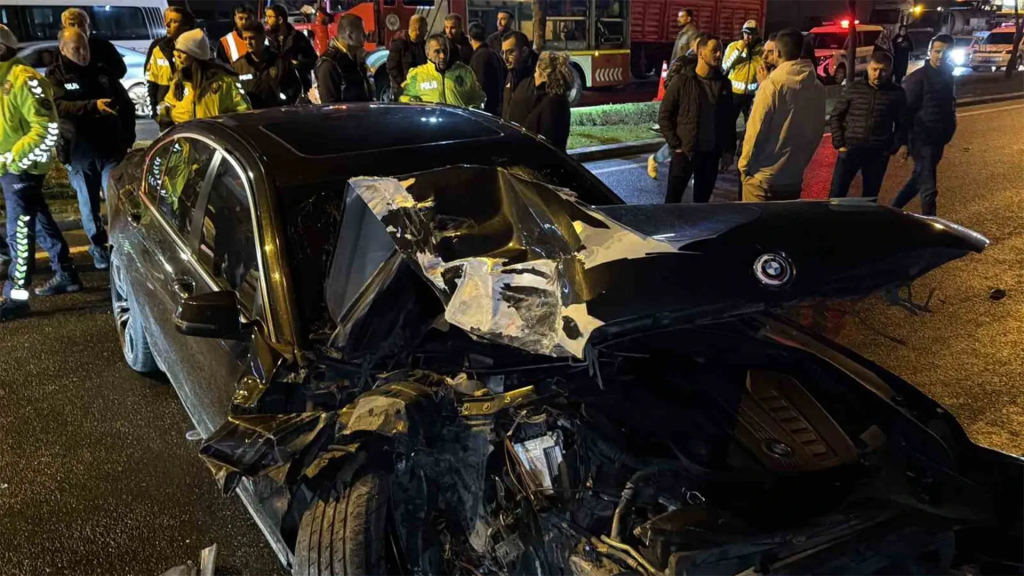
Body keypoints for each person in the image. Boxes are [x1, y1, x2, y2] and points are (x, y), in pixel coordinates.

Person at [0, 25, 81, 321]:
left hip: (22, 169)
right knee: (39, 218)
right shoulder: (3, 79)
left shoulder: (24, 80)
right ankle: (65, 271)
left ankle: (16, 296)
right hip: (11, 167)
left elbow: (46, 129)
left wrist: (13, 159)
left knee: (19, 232)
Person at [47, 28, 136, 270]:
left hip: (110, 150)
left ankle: (120, 246)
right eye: (76, 49)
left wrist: (128, 139)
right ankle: (98, 248)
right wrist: (92, 106)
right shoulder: (56, 77)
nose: (83, 53)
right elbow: (58, 107)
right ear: (63, 50)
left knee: (117, 201)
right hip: (79, 152)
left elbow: (126, 105)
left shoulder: (102, 72)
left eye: (85, 47)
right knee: (89, 205)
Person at [739, 28, 826, 201]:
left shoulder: (772, 85)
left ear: (778, 52)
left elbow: (756, 130)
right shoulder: (817, 87)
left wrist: (743, 167)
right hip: (793, 177)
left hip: (763, 179)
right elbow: (817, 131)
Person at [658, 35, 735, 203]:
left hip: (710, 156)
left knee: (702, 205)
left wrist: (729, 151)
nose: (719, 55)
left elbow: (729, 120)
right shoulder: (682, 81)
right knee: (672, 202)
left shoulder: (724, 84)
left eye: (720, 51)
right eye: (714, 51)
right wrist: (676, 145)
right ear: (701, 53)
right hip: (685, 154)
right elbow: (664, 115)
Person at [891, 34, 956, 216]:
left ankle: (891, 211)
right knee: (929, 188)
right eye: (937, 51)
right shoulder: (917, 78)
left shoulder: (947, 76)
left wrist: (950, 127)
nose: (941, 56)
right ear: (930, 51)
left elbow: (950, 105)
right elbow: (904, 113)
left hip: (938, 138)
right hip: (921, 138)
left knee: (918, 180)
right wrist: (903, 143)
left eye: (945, 52)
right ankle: (930, 225)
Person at [829, 51, 907, 200]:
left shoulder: (897, 93)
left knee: (869, 198)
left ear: (890, 70)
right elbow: (836, 115)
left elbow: (902, 123)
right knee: (837, 195)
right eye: (874, 69)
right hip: (851, 150)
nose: (878, 74)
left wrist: (892, 148)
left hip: (877, 153)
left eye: (883, 70)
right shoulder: (854, 88)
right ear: (868, 67)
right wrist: (840, 144)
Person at [157, 29, 250, 128]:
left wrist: (222, 126)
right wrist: (165, 114)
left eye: (183, 52)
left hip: (213, 137)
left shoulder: (224, 83)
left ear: (196, 57)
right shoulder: (179, 82)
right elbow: (168, 104)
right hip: (187, 137)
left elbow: (244, 114)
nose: (177, 56)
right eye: (176, 51)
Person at [647, 32, 705, 179]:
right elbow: (669, 83)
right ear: (695, 45)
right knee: (678, 143)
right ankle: (655, 159)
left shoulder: (707, 64)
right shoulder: (683, 61)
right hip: (682, 108)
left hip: (698, 109)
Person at [400, 34, 485, 108]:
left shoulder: (464, 72)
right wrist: (411, 101)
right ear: (428, 54)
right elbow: (402, 97)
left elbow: (478, 98)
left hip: (460, 121)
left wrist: (474, 108)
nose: (443, 56)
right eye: (437, 52)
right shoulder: (417, 74)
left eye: (445, 51)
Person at [233, 22, 302, 108]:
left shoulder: (280, 62)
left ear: (263, 37)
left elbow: (295, 89)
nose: (248, 42)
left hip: (276, 113)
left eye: (252, 38)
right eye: (245, 39)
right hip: (250, 114)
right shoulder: (238, 66)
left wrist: (283, 103)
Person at [145, 7, 196, 120]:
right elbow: (151, 83)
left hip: (190, 115)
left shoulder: (198, 49)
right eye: (167, 20)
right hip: (166, 115)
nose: (167, 25)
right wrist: (155, 114)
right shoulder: (158, 48)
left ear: (186, 27)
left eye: (173, 21)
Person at [315, 14, 372, 104]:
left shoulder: (356, 58)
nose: (365, 35)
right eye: (362, 32)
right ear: (349, 36)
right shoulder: (328, 64)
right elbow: (330, 106)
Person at [523, 52, 573, 150]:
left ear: (544, 76)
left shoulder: (552, 103)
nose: (534, 75)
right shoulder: (550, 99)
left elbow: (547, 142)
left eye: (536, 72)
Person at [61, 8, 126, 79]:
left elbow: (121, 71)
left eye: (80, 24)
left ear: (88, 26)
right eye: (72, 24)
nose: (77, 28)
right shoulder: (61, 52)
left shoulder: (104, 47)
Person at [266, 3, 318, 93]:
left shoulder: (298, 38)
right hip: (274, 91)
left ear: (280, 19)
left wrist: (298, 64)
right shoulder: (266, 39)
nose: (266, 20)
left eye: (270, 17)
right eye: (266, 17)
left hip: (297, 90)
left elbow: (314, 60)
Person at [723, 20, 763, 131]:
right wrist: (738, 50)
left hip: (751, 95)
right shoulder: (733, 47)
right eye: (745, 33)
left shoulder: (762, 50)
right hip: (734, 93)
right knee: (729, 124)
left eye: (751, 34)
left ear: (756, 34)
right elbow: (725, 67)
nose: (748, 37)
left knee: (750, 125)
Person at [468, 21, 506, 115]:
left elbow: (480, 83)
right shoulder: (491, 53)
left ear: (470, 38)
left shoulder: (480, 56)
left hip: (486, 108)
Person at [386, 14, 427, 98]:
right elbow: (391, 67)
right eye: (425, 27)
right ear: (417, 29)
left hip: (419, 89)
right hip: (403, 92)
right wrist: (403, 84)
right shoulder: (399, 44)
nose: (427, 30)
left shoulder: (422, 44)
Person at [501, 31, 538, 124]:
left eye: (510, 52)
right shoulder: (511, 73)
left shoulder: (537, 77)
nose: (505, 58)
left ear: (525, 51)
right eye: (503, 53)